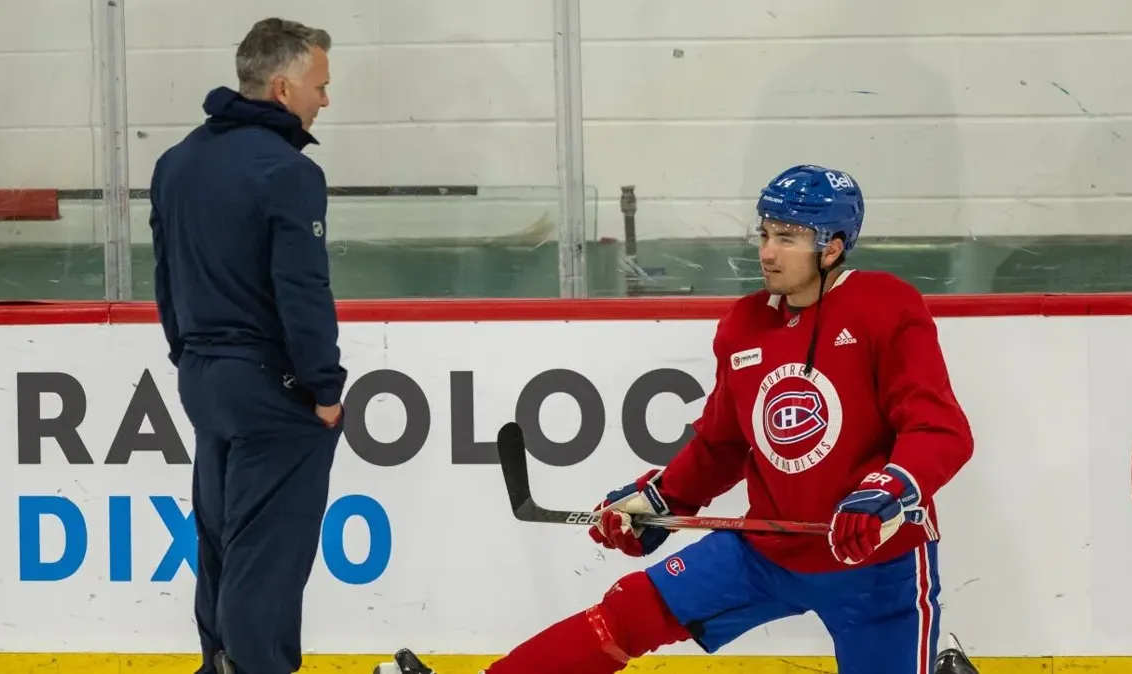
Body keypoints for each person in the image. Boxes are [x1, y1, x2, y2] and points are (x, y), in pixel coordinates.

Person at [389, 164, 978, 674]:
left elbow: (939, 429)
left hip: (873, 563)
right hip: (764, 550)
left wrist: (885, 491)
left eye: (789, 237)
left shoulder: (884, 306)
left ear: (832, 246)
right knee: (623, 614)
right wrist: (659, 499)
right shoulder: (746, 323)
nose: (768, 251)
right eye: (765, 233)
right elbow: (723, 444)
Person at [147, 17, 346, 674]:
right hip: (268, 386)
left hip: (205, 377)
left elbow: (166, 276)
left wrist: (190, 358)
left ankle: (219, 662)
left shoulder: (177, 162)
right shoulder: (285, 171)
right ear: (285, 87)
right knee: (267, 554)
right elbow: (301, 287)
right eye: (319, 85)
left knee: (221, 539)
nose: (325, 99)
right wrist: (324, 387)